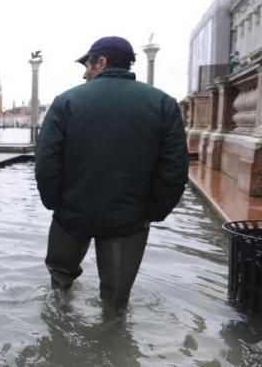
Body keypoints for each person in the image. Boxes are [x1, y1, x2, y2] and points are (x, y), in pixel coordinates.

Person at [35, 36, 188, 308]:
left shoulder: (66, 101)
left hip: (71, 214)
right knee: (116, 300)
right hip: (128, 220)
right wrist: (152, 212)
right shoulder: (164, 104)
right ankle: (113, 343)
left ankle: (55, 335)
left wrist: (55, 203)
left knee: (58, 286)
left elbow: (46, 161)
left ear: (101, 61)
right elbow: (174, 170)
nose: (84, 72)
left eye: (87, 64)